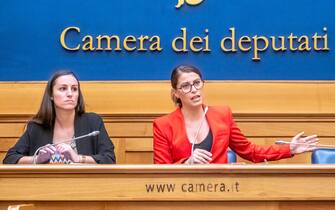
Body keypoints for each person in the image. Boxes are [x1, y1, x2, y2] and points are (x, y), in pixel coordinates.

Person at [153, 65, 319, 164]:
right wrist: (187, 163)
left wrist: (289, 148)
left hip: (221, 193)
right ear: (176, 93)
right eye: (186, 86)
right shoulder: (163, 125)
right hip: (181, 196)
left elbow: (250, 151)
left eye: (197, 83)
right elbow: (160, 172)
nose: (194, 90)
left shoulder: (222, 115)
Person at [3, 70, 115, 164]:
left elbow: (109, 159)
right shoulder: (36, 127)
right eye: (63, 89)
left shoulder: (93, 122)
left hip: (84, 186)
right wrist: (37, 159)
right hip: (46, 187)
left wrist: (79, 158)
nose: (70, 94)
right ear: (51, 95)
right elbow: (9, 159)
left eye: (74, 89)